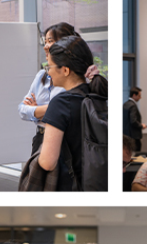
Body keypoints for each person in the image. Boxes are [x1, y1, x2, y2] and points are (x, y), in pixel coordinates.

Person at [38, 35, 108, 191]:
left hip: (69, 188)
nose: (48, 73)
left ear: (65, 70)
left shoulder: (61, 103)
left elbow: (47, 162)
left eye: (49, 67)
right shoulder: (98, 96)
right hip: (97, 185)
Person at [19, 22, 75, 155]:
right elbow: (22, 110)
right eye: (45, 41)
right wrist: (47, 111)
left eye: (50, 41)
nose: (45, 46)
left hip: (65, 141)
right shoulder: (41, 75)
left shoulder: (75, 77)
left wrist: (37, 111)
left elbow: (69, 113)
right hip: (40, 138)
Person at [123, 86, 146, 152]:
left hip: (125, 135)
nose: (140, 97)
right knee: (136, 155)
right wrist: (141, 125)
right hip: (134, 136)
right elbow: (133, 121)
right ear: (134, 95)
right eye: (139, 95)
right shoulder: (133, 105)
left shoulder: (125, 104)